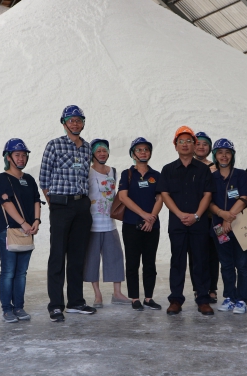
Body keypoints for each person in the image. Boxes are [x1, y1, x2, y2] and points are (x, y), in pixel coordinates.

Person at [40, 105, 96, 322]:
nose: (75, 123)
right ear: (63, 123)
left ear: (83, 123)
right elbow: (44, 178)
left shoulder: (87, 148)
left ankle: (75, 302)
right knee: (57, 256)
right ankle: (55, 305)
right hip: (61, 206)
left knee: (77, 256)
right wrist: (54, 203)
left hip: (82, 206)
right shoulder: (54, 145)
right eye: (70, 120)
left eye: (78, 120)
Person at [156, 126, 216, 316]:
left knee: (200, 261)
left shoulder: (204, 169)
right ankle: (176, 299)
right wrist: (180, 214)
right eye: (180, 141)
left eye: (188, 141)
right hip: (177, 223)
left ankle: (203, 299)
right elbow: (164, 194)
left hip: (199, 223)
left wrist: (197, 215)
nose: (184, 144)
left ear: (194, 144)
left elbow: (208, 194)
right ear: (175, 146)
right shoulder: (168, 169)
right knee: (178, 261)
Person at [0, 139, 41, 322]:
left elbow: (37, 200)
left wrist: (36, 220)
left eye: (24, 155)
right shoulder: (3, 179)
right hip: (9, 232)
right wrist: (23, 223)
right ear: (8, 157)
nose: (21, 158)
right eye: (17, 155)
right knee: (8, 271)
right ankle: (7, 309)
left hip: (27, 232)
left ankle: (19, 307)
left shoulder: (29, 179)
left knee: (22, 273)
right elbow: (6, 204)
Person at [83, 139, 131, 307]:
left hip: (110, 223)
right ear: (93, 154)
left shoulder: (113, 172)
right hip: (92, 224)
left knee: (115, 257)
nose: (102, 153)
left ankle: (117, 293)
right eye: (98, 151)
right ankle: (97, 295)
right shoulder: (87, 172)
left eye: (105, 150)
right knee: (92, 259)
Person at [118, 137, 164, 311]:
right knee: (132, 262)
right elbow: (123, 197)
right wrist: (144, 214)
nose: (143, 152)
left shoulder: (156, 175)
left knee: (150, 263)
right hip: (131, 224)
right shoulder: (127, 174)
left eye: (146, 149)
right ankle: (135, 298)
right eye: (139, 150)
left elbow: (160, 198)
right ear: (133, 154)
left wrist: (151, 217)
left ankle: (148, 298)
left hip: (152, 225)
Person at [208, 139, 247, 314]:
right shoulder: (211, 177)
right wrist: (221, 215)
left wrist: (229, 219)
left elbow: (245, 197)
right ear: (215, 156)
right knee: (225, 264)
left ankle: (241, 299)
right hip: (219, 228)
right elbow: (208, 201)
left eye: (227, 152)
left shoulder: (240, 175)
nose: (224, 156)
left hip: (240, 226)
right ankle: (229, 296)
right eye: (220, 152)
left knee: (242, 264)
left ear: (232, 155)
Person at [192, 131, 219, 303]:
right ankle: (197, 288)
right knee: (195, 255)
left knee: (212, 254)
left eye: (205, 144)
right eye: (198, 143)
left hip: (212, 216)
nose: (201, 147)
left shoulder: (216, 166)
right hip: (194, 217)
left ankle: (212, 288)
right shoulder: (188, 165)